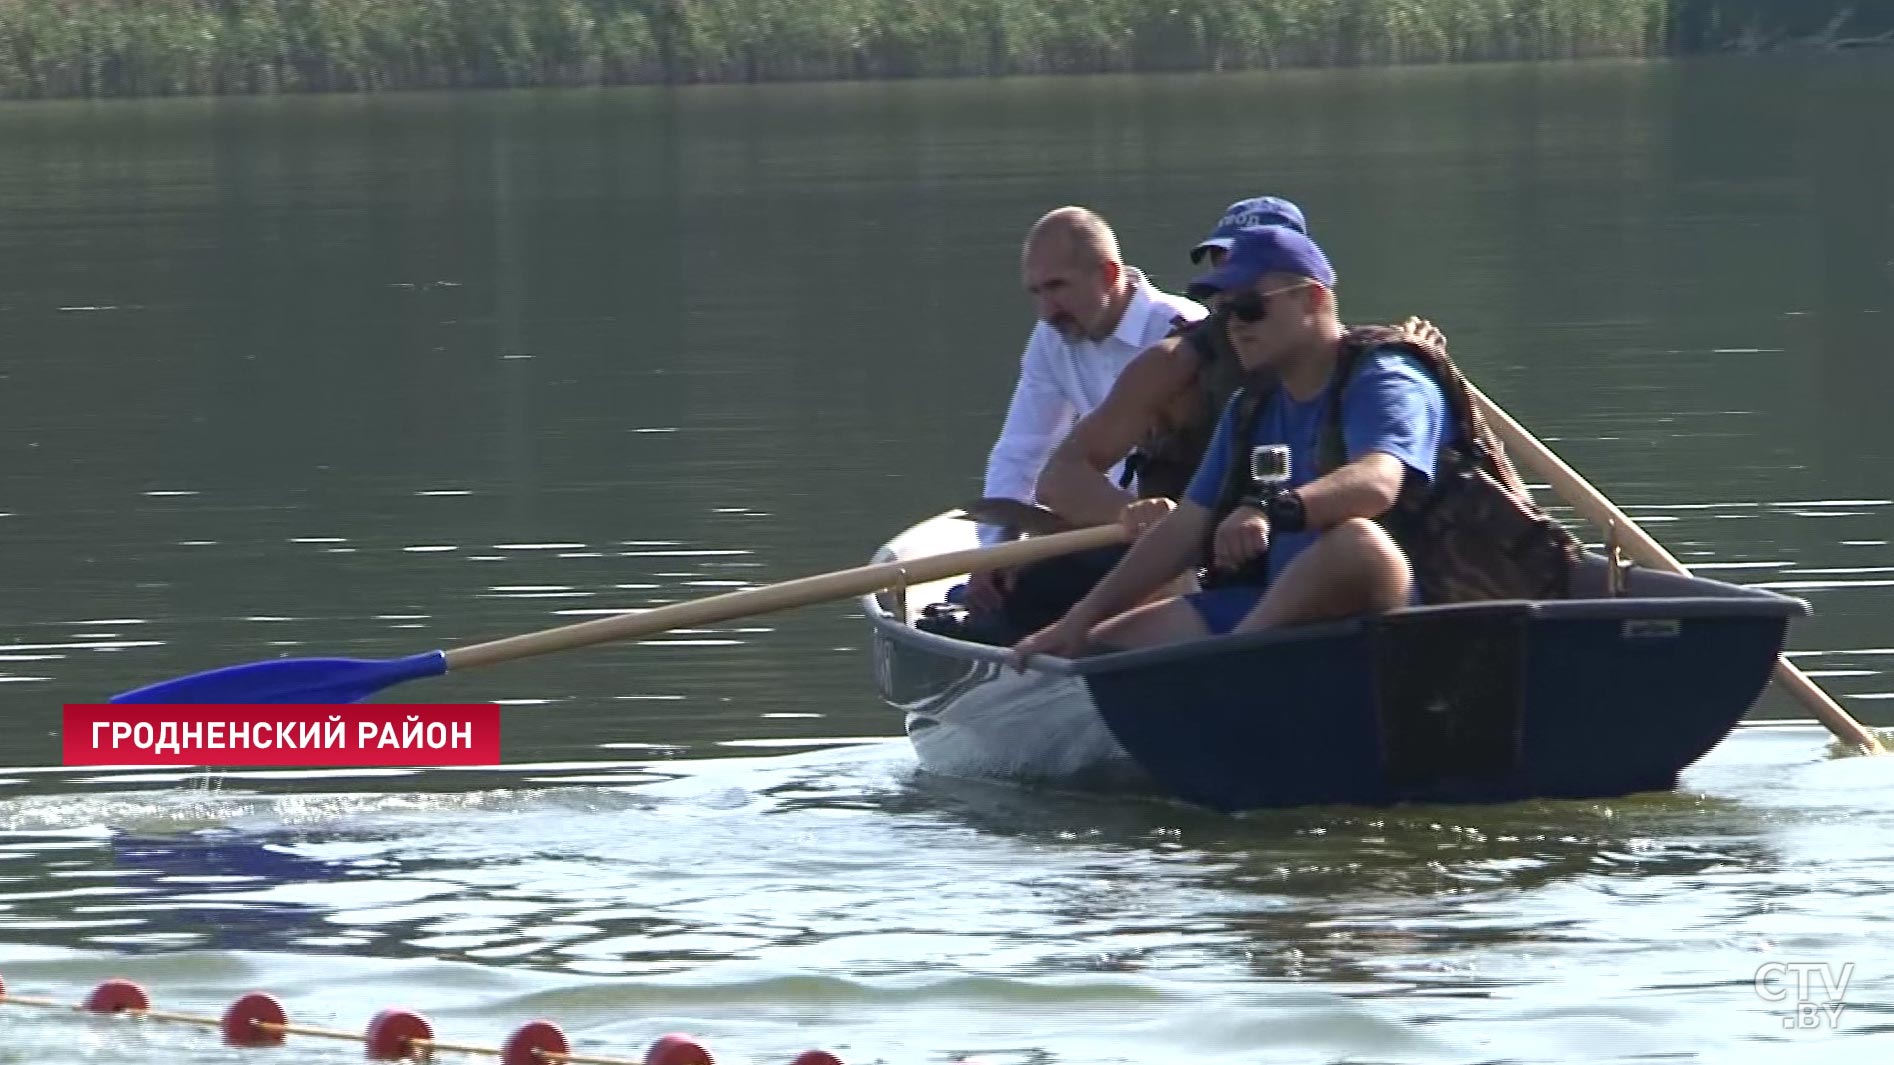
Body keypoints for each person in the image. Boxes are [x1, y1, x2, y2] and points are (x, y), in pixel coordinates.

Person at [1011, 223, 1450, 662]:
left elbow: (1377, 483)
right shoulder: (1250, 408)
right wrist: (1078, 622)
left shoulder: (1385, 377)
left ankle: (1230, 664)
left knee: (1356, 542)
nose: (1233, 328)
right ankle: (1229, 663)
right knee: (1105, 643)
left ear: (1311, 298)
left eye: (1249, 307)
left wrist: (1268, 508)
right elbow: (1183, 529)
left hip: (1396, 620)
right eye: (1223, 313)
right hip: (1281, 610)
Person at [961, 205, 1208, 612]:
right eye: (1036, 292)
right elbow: (1022, 448)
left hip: (1176, 534)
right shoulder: (1050, 336)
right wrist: (995, 552)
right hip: (1102, 525)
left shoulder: (1183, 331)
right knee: (1008, 597)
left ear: (1109, 275)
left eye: (1057, 287)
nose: (1046, 310)